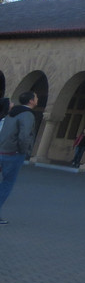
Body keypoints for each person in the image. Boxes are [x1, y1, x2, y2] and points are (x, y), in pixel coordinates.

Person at [0, 91, 39, 223]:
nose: (37, 99)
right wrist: (23, 151)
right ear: (31, 101)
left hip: (3, 151)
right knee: (7, 184)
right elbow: (24, 135)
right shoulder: (27, 114)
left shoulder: (11, 113)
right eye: (36, 97)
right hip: (14, 154)